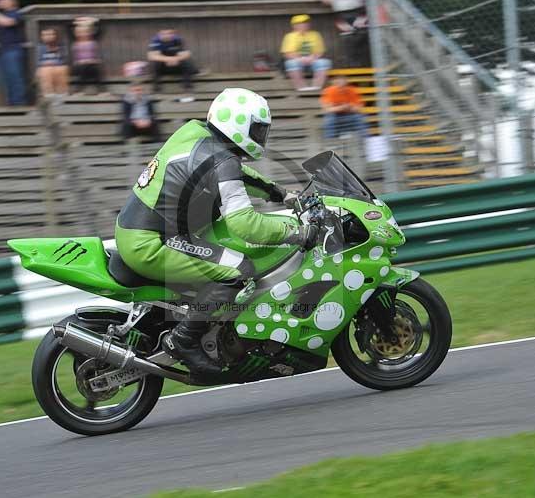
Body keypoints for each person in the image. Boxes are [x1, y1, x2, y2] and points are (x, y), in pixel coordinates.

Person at [114, 88, 318, 373]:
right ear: (237, 124)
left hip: (138, 231)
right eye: (256, 129)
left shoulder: (197, 134)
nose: (261, 136)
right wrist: (298, 233)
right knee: (238, 268)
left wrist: (282, 194)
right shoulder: (221, 159)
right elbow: (245, 224)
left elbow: (238, 176)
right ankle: (183, 341)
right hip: (151, 242)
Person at [313, 0, 381, 67]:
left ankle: (365, 63)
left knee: (363, 34)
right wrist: (327, 0)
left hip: (358, 12)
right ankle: (352, 65)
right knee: (347, 38)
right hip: (341, 14)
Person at [280, 14, 332, 91]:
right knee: (291, 63)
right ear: (294, 25)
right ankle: (301, 87)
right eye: (300, 23)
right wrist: (300, 59)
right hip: (296, 59)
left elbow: (320, 51)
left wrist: (312, 58)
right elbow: (287, 53)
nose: (304, 25)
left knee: (324, 62)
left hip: (313, 59)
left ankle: (317, 87)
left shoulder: (315, 34)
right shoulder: (289, 36)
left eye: (306, 23)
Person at [147, 28, 196, 95]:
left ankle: (187, 87)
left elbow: (187, 54)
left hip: (176, 67)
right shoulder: (156, 41)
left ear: (173, 34)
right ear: (159, 34)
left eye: (169, 33)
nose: (167, 35)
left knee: (186, 63)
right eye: (164, 34)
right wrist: (169, 59)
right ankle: (156, 89)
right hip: (162, 68)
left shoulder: (178, 40)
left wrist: (176, 59)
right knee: (155, 64)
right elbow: (152, 56)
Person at [320, 74, 368, 139]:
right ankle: (330, 143)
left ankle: (365, 140)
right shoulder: (329, 91)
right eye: (338, 84)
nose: (341, 86)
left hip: (349, 115)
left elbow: (359, 108)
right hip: (336, 116)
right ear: (334, 84)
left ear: (346, 83)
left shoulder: (352, 90)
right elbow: (327, 109)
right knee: (329, 119)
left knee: (360, 117)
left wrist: (349, 107)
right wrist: (342, 107)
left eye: (343, 84)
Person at [70, 17, 104, 94]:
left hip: (91, 65)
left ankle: (102, 90)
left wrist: (93, 20)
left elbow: (100, 30)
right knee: (83, 68)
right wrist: (77, 21)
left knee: (96, 69)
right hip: (79, 66)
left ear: (90, 32)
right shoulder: (75, 42)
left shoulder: (93, 41)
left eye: (85, 32)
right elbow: (68, 27)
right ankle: (79, 89)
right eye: (80, 32)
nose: (83, 34)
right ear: (76, 33)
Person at [35, 28, 69, 98]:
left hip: (58, 68)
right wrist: (45, 64)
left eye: (50, 34)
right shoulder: (40, 48)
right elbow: (38, 61)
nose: (48, 36)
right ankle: (49, 95)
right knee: (45, 71)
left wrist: (53, 63)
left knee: (61, 69)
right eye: (45, 35)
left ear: (55, 35)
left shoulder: (60, 47)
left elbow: (63, 60)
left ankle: (61, 94)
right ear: (42, 37)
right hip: (46, 69)